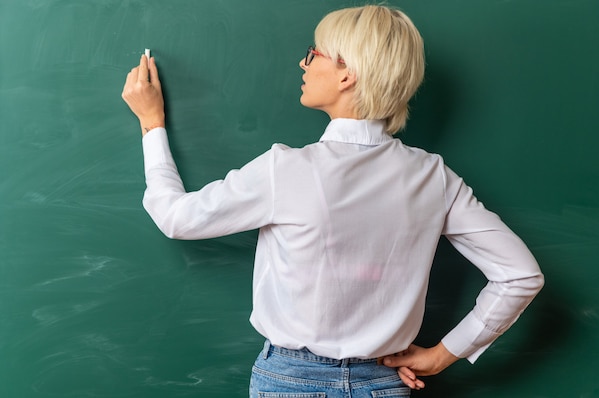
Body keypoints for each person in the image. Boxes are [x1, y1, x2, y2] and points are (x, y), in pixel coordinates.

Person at [122, 5, 544, 397]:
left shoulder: (284, 169)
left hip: (290, 381)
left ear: (347, 74)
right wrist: (443, 354)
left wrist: (151, 124)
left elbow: (176, 218)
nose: (304, 64)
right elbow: (520, 275)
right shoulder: (433, 176)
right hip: (384, 382)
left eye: (314, 53)